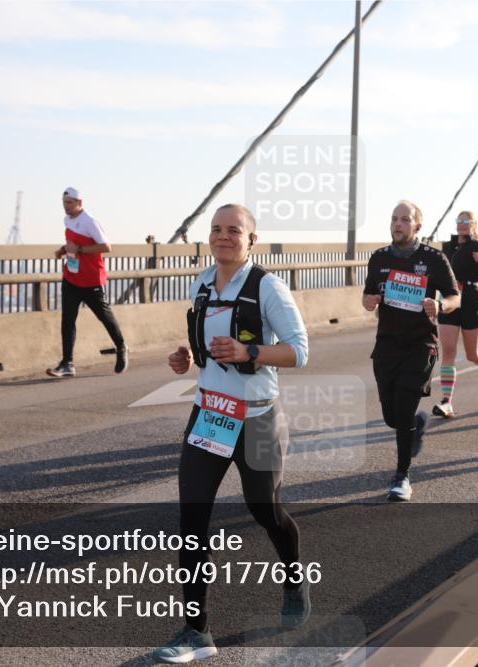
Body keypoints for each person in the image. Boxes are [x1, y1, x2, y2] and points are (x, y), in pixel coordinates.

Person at [156, 204, 310, 663]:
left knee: (265, 509)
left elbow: (299, 351)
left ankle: (294, 577)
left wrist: (250, 352)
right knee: (192, 521)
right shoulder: (202, 282)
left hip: (257, 417)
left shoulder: (267, 287)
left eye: (234, 231)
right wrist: (188, 357)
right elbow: (207, 347)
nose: (223, 237)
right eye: (216, 230)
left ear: (250, 240)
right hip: (210, 414)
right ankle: (197, 631)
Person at [363, 201, 459, 501]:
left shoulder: (433, 258)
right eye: (394, 218)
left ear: (418, 225)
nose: (398, 224)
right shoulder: (378, 258)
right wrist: (368, 301)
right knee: (392, 417)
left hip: (420, 345)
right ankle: (416, 424)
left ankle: (402, 475)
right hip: (387, 346)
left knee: (403, 410)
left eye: (405, 219)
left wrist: (440, 305)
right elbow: (368, 294)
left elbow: (455, 296)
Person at [46, 187, 129, 377]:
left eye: (69, 203)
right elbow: (73, 243)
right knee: (68, 320)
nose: (66, 206)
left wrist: (80, 250)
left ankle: (121, 346)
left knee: (104, 317)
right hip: (71, 277)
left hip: (91, 279)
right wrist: (63, 250)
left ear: (79, 203)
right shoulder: (67, 220)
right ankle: (67, 363)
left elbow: (106, 247)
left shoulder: (90, 222)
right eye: (64, 203)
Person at [431, 211, 478, 420]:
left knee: (471, 354)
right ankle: (447, 402)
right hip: (449, 300)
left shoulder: (477, 246)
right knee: (448, 351)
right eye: (459, 220)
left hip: (471, 300)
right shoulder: (447, 247)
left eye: (466, 221)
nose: (462, 224)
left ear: (473, 225)